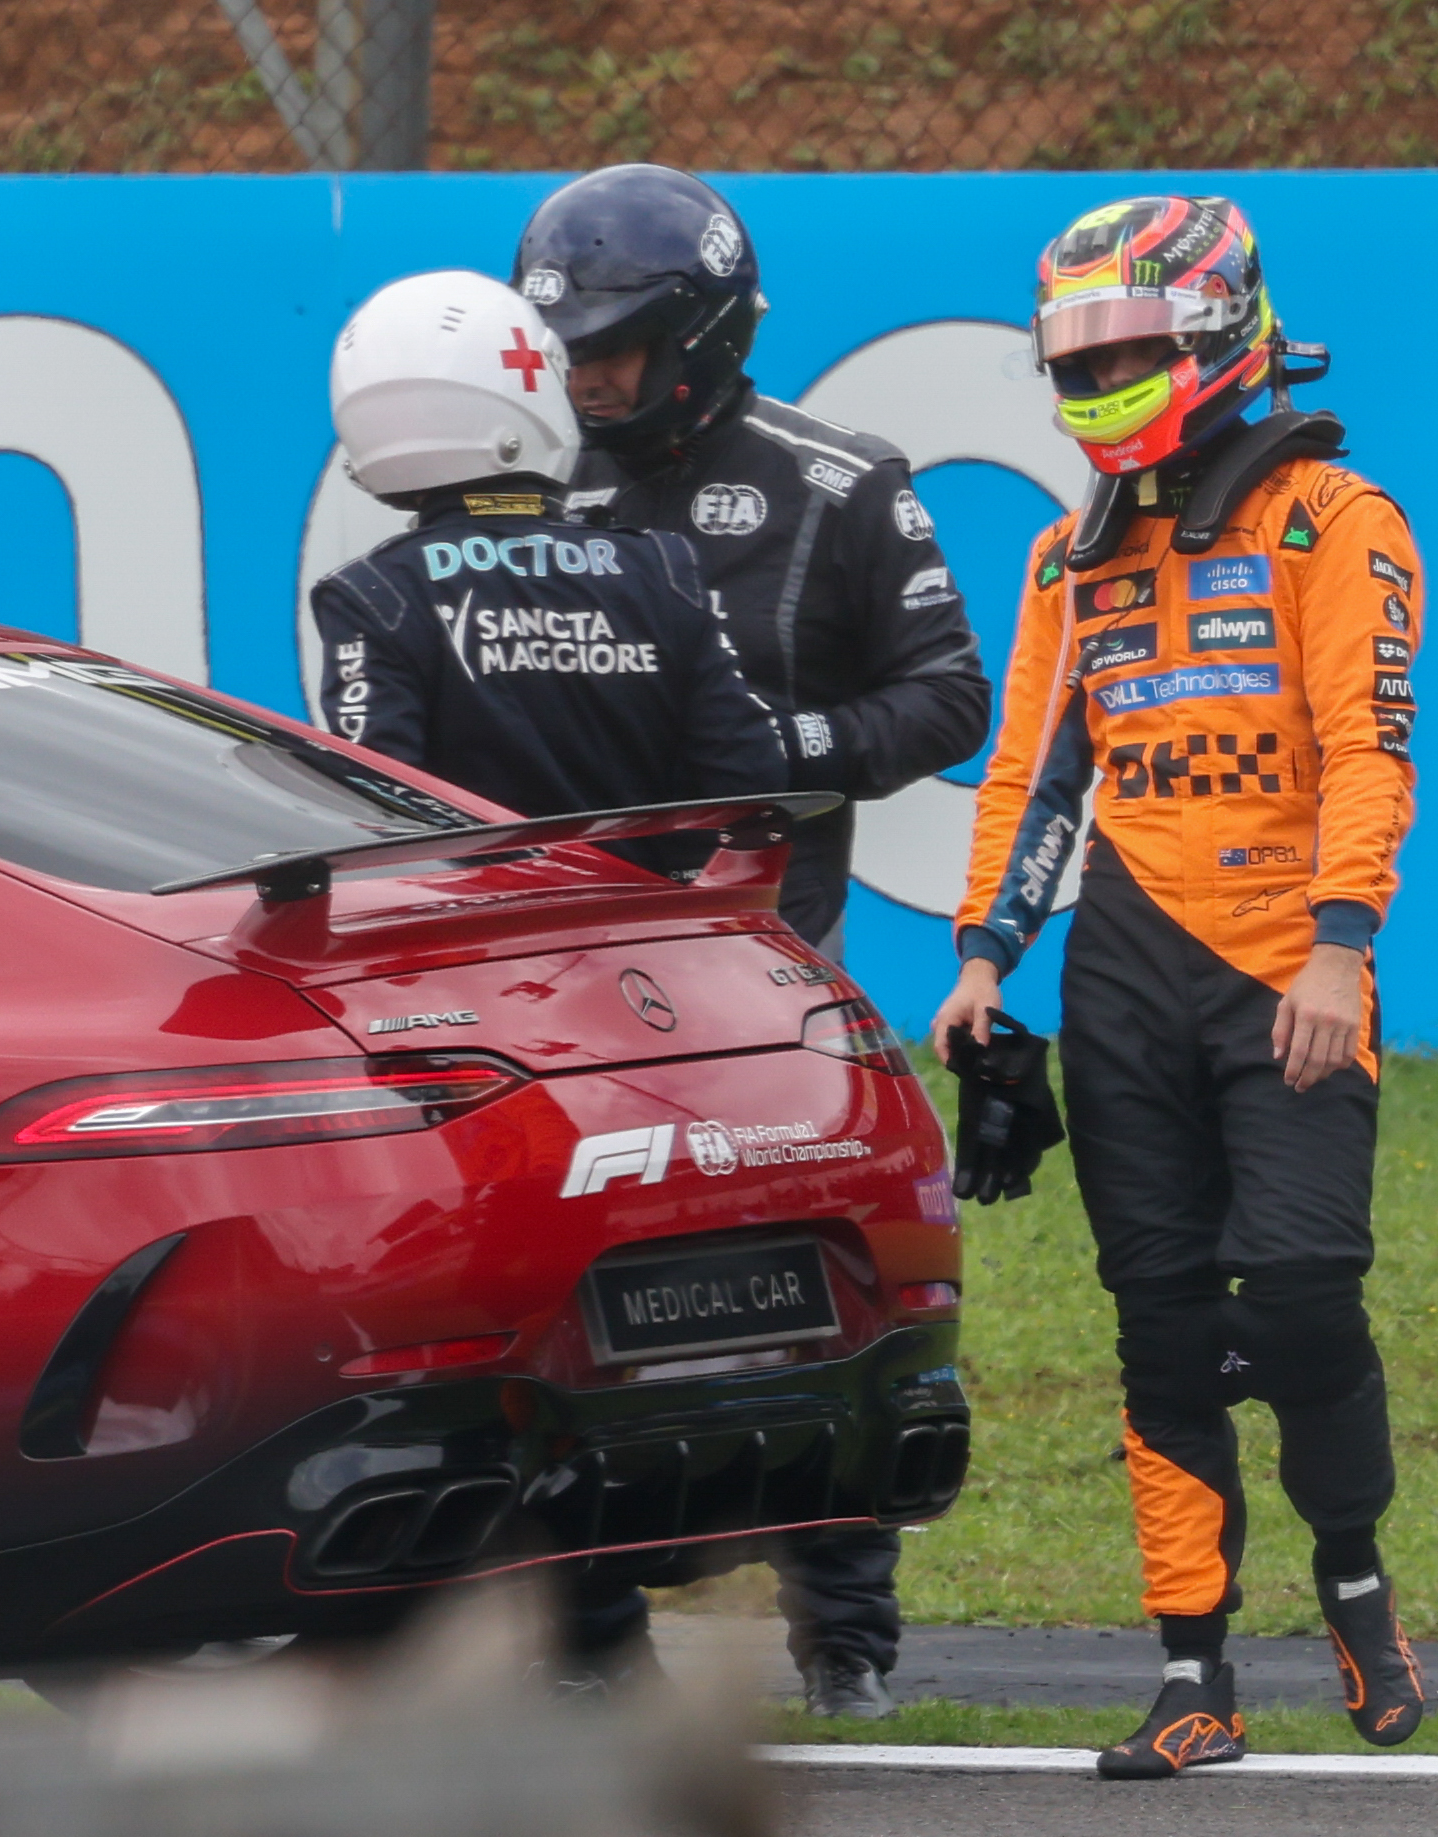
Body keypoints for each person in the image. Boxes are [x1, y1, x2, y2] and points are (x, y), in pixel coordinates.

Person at [933, 195, 1426, 1779]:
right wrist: (981, 956)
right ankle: (1189, 1675)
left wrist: (1341, 944)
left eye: (1127, 351)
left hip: (1288, 966)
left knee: (1298, 1291)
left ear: (1216, 334)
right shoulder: (1064, 554)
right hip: (1123, 974)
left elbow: (1367, 746)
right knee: (1156, 1329)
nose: (1099, 381)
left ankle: (1351, 1581)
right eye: (1077, 359)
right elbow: (1033, 776)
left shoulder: (1333, 518)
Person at [513, 164, 992, 1720]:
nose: (586, 377)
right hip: (567, 989)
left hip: (770, 972)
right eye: (565, 348)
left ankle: (843, 1636)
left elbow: (950, 695)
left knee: (817, 1290)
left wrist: (775, 754)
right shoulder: (528, 485)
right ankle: (591, 1640)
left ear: (705, 333)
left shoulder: (838, 486)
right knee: (563, 1299)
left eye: (614, 346)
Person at [310, 267, 787, 878]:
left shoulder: (373, 595)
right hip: (655, 923)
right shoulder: (660, 566)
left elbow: (382, 810)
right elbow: (750, 777)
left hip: (475, 926)